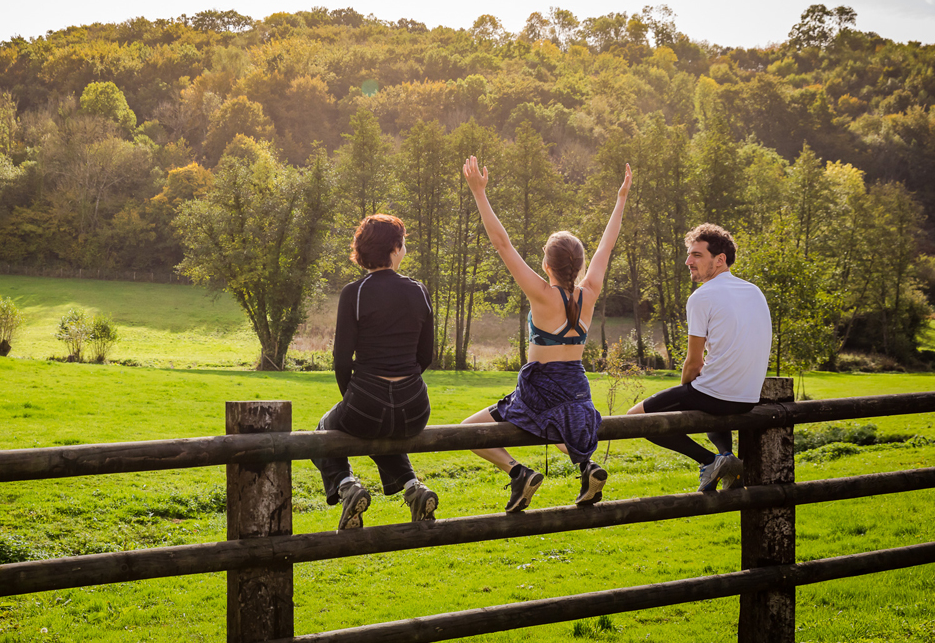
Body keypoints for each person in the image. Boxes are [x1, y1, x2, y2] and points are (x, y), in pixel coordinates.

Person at [460, 157, 632, 511]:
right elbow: (606, 247)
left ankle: (518, 472)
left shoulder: (542, 294)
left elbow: (502, 244)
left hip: (539, 390)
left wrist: (479, 193)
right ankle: (588, 467)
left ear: (547, 265)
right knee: (561, 424)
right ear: (580, 265)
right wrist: (621, 200)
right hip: (576, 386)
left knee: (467, 431)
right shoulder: (590, 291)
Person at [313, 214, 439, 530]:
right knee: (383, 428)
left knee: (322, 430)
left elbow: (341, 361)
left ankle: (346, 486)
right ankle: (413, 489)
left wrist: (357, 399)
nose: (405, 248)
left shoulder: (354, 293)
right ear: (395, 248)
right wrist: (403, 381)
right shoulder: (419, 291)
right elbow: (427, 356)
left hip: (366, 401)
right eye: (404, 242)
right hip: (414, 407)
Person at [626, 223, 772, 492]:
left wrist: (686, 390)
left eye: (696, 255)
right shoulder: (754, 291)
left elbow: (694, 363)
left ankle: (709, 461)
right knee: (709, 390)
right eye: (689, 254)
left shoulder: (702, 296)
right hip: (748, 398)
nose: (688, 261)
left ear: (720, 260)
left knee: (635, 419)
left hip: (718, 395)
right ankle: (727, 458)